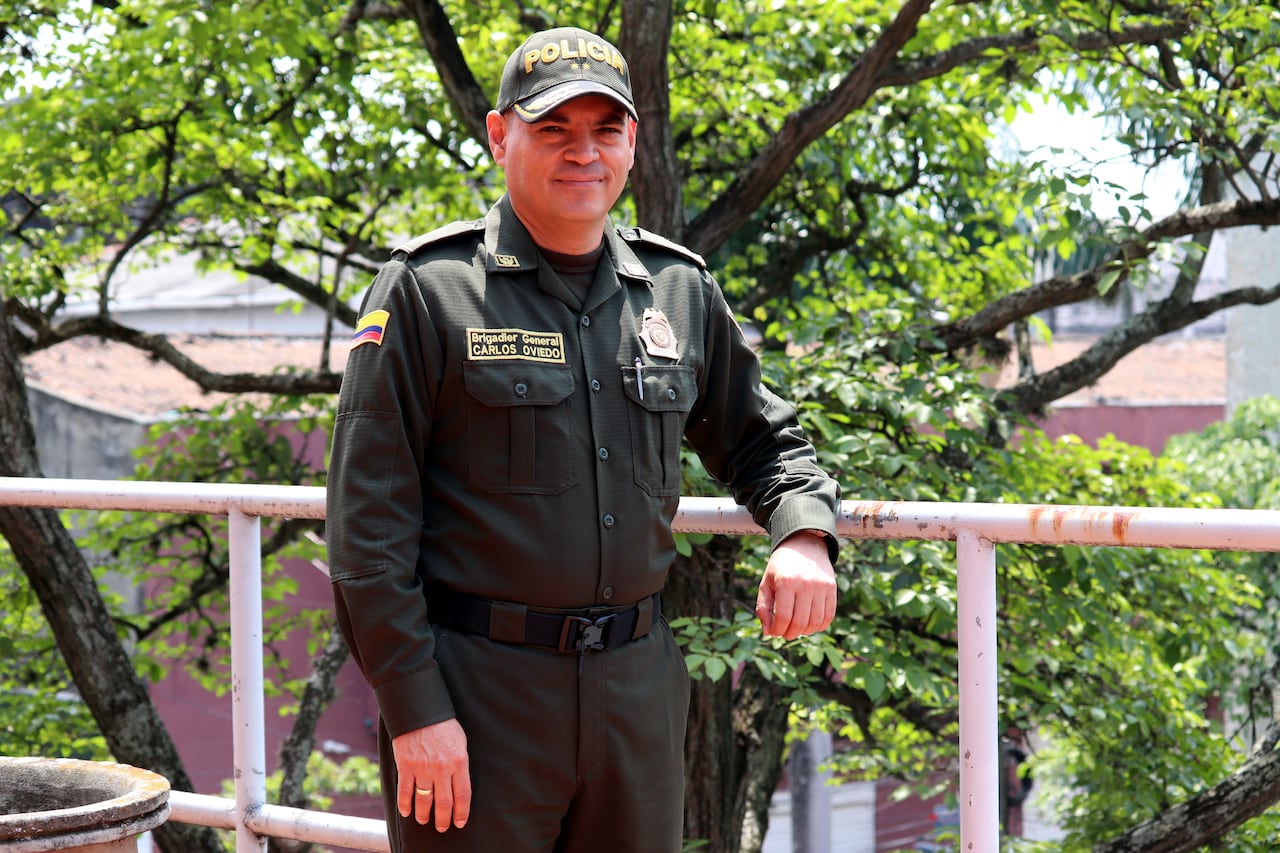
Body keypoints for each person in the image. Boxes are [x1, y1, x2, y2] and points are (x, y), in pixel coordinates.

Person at [326, 25, 842, 853]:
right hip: (477, 693)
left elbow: (764, 439)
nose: (584, 153)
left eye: (606, 128)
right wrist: (414, 707)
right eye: (553, 128)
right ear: (501, 136)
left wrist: (806, 533)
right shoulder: (429, 291)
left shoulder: (677, 289)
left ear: (633, 141)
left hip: (637, 691)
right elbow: (367, 530)